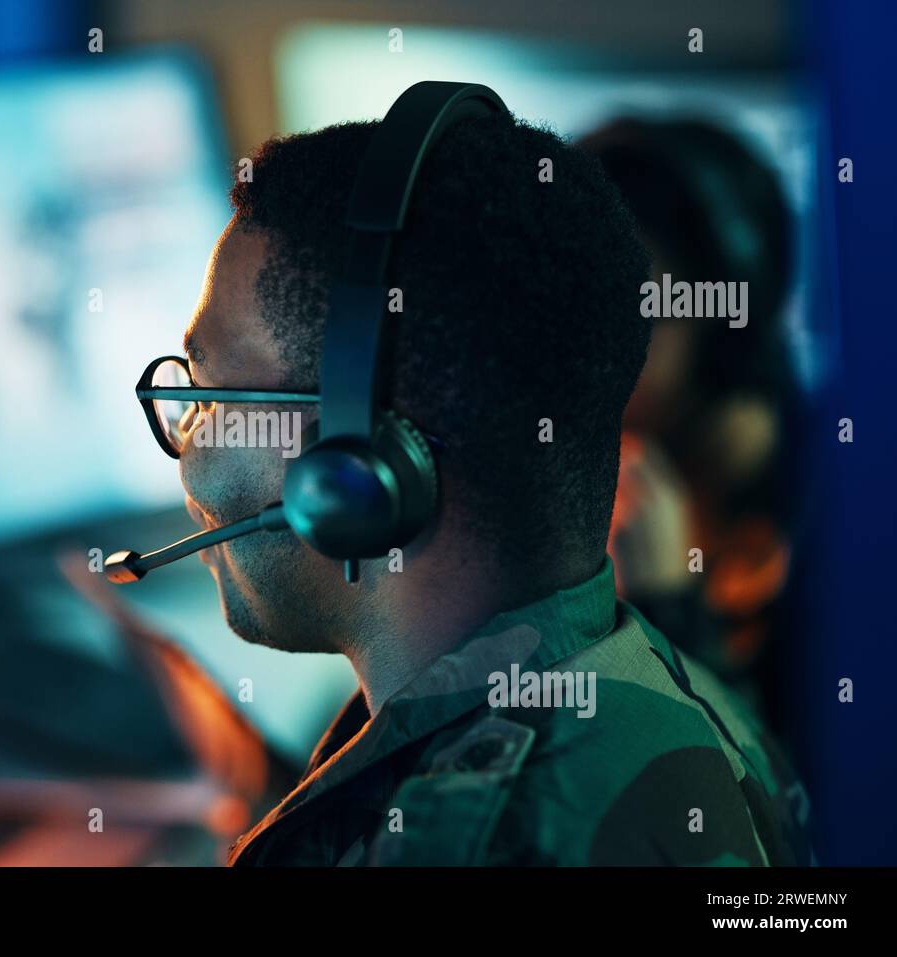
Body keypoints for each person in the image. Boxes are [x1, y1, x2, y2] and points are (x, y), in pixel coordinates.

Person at [127, 110, 813, 865]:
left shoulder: (460, 844)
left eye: (210, 391)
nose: (187, 443)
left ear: (363, 470)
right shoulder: (690, 698)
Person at [579, 118, 802, 708]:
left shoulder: (829, 516)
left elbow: (760, 785)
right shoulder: (571, 475)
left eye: (636, 308)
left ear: (730, 332)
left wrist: (668, 614)